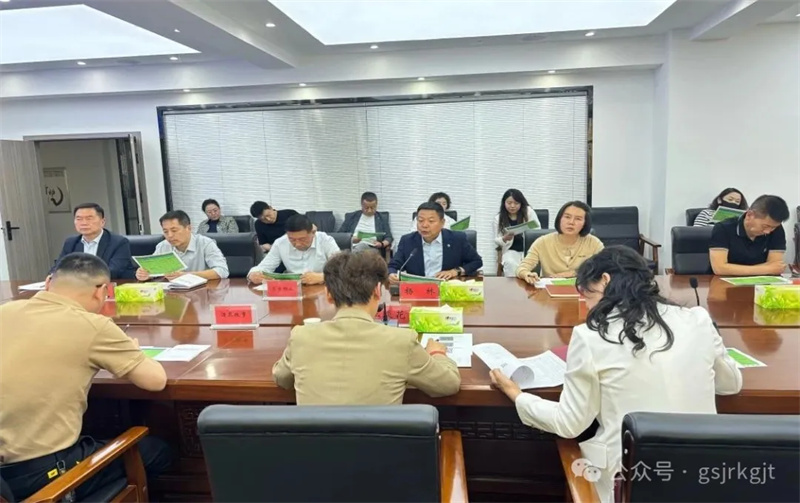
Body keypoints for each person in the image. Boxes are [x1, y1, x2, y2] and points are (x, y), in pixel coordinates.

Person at [491, 246, 742, 503]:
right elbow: (731, 384)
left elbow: (569, 423)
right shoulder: (698, 319)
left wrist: (517, 395)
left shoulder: (591, 337)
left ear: (605, 280)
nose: (588, 306)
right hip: (704, 479)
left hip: (627, 484)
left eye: (587, 295)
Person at [0, 253, 171, 500]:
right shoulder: (93, 325)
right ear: (101, 291)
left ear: (48, 282)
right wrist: (134, 351)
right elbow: (155, 381)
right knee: (156, 450)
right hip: (39, 476)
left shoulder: (5, 311)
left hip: (5, 479)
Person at [273, 250, 461, 404]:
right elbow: (448, 385)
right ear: (378, 291)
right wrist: (438, 353)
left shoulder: (301, 336)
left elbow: (281, 379)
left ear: (328, 295)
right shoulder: (401, 341)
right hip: (379, 441)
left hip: (314, 441)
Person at [390, 202, 483, 280]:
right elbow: (393, 266)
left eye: (431, 221)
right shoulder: (407, 241)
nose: (424, 225)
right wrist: (392, 274)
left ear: (442, 223)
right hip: (418, 289)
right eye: (420, 220)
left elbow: (476, 261)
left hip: (447, 288)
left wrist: (455, 271)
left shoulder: (457, 239)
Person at [516, 201, 604, 282]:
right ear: (560, 219)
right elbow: (522, 268)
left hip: (583, 290)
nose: (571, 222)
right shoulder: (542, 242)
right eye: (567, 217)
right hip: (550, 290)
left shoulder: (594, 243)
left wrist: (574, 273)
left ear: (585, 223)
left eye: (578, 219)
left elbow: (604, 268)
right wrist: (527, 274)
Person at [135, 210, 229, 281]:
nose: (170, 235)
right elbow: (153, 270)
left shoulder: (205, 243)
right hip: (172, 294)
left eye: (174, 230)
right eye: (165, 231)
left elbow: (222, 271)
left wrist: (186, 275)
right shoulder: (163, 246)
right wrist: (144, 274)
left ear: (189, 228)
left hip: (202, 293)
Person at [247, 214, 340, 285]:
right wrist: (253, 274)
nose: (297, 244)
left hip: (321, 289)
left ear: (313, 232)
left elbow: (342, 270)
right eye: (292, 239)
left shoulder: (325, 240)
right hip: (292, 290)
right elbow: (264, 267)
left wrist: (322, 277)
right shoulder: (280, 243)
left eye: (302, 239)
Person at [709, 194, 789, 276]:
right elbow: (719, 268)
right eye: (765, 226)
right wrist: (766, 269)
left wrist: (734, 269)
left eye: (773, 227)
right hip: (724, 281)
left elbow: (775, 266)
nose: (768, 231)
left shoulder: (777, 230)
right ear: (749, 215)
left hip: (762, 281)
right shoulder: (723, 228)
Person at [52, 203, 136, 279]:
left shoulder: (118, 242)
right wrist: (52, 276)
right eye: (79, 219)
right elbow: (59, 267)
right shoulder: (71, 242)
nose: (84, 223)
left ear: (102, 222)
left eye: (89, 218)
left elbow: (113, 271)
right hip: (77, 287)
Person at [493, 189, 541, 276]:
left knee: (528, 265)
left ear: (521, 203)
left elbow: (538, 230)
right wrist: (504, 238)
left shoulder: (528, 212)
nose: (512, 206)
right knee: (510, 263)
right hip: (510, 250)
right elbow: (497, 240)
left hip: (529, 249)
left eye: (516, 203)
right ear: (504, 203)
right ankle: (512, 285)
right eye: (509, 203)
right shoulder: (498, 218)